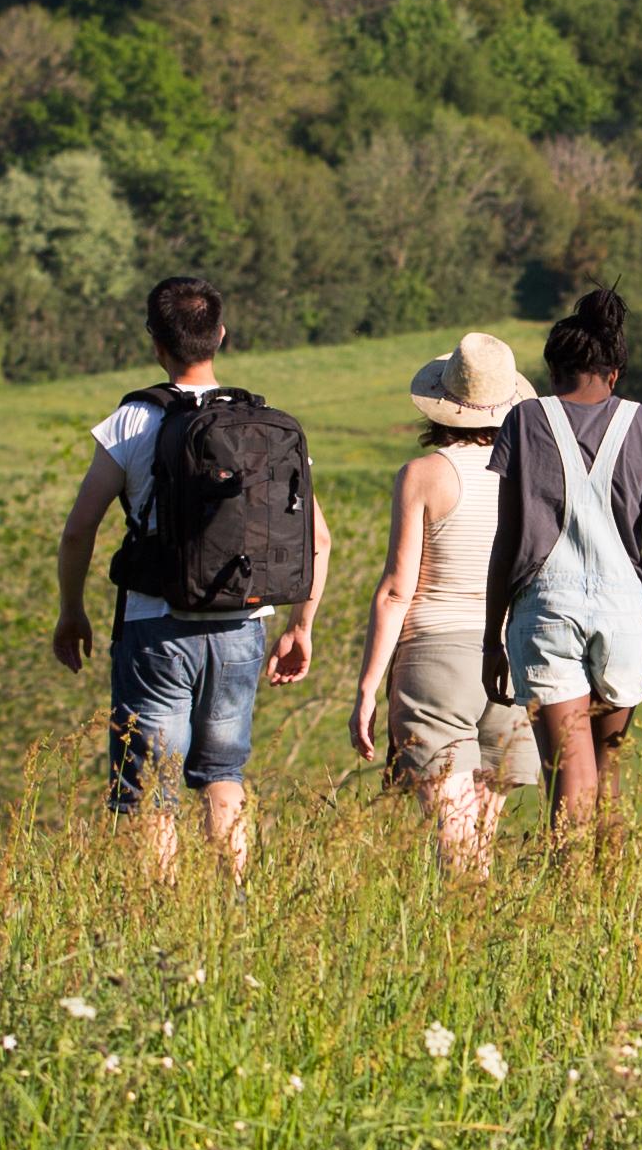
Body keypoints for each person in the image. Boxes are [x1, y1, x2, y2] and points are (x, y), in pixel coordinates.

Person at [54, 275, 329, 880]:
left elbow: (78, 530)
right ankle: (231, 907)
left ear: (155, 341)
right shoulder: (263, 426)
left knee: (151, 790)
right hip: (242, 626)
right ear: (221, 336)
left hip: (156, 626)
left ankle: (159, 917)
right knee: (224, 776)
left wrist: (72, 610)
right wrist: (301, 624)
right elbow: (319, 537)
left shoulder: (131, 422)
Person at [480, 286, 642, 836]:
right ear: (614, 374)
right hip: (624, 611)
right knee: (608, 774)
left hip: (545, 608)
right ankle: (608, 901)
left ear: (551, 371)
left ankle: (570, 899)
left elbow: (507, 538)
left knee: (569, 773)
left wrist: (491, 639)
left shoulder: (524, 421)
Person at [351, 332, 540, 876]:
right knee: (480, 833)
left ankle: (462, 937)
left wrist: (368, 689)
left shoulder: (425, 475)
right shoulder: (531, 475)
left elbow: (395, 590)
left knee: (454, 840)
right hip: (510, 652)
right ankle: (480, 939)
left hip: (435, 653)